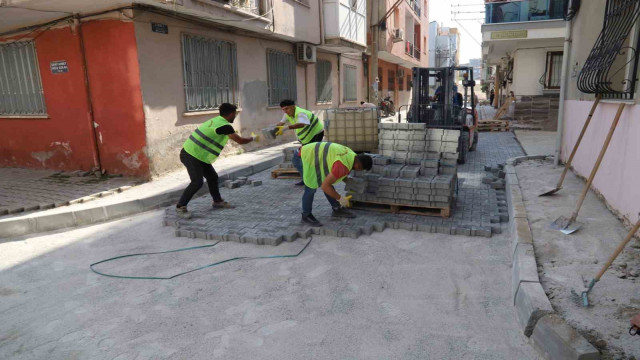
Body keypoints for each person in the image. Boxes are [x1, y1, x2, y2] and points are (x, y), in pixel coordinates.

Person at [175, 103, 258, 219]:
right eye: (235, 114)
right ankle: (180, 206)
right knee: (197, 182)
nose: (235, 116)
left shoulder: (216, 121)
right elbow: (240, 141)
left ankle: (217, 201)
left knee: (212, 177)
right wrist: (253, 138)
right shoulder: (225, 126)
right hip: (191, 155)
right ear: (231, 114)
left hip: (199, 155)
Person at [298, 142, 373, 227]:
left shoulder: (352, 155)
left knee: (327, 181)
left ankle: (337, 208)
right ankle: (306, 215)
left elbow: (338, 170)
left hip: (315, 155)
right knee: (311, 188)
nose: (358, 171)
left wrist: (347, 180)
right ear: (359, 166)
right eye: (360, 170)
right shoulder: (342, 165)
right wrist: (341, 199)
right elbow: (325, 186)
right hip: (304, 157)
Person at [274, 99, 325, 186]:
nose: (285, 111)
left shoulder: (301, 113)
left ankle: (310, 179)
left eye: (287, 109)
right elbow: (281, 123)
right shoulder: (287, 114)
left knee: (301, 158)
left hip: (315, 134)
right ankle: (309, 179)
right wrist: (274, 130)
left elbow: (302, 124)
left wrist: (286, 128)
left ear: (293, 107)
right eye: (283, 109)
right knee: (304, 158)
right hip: (307, 138)